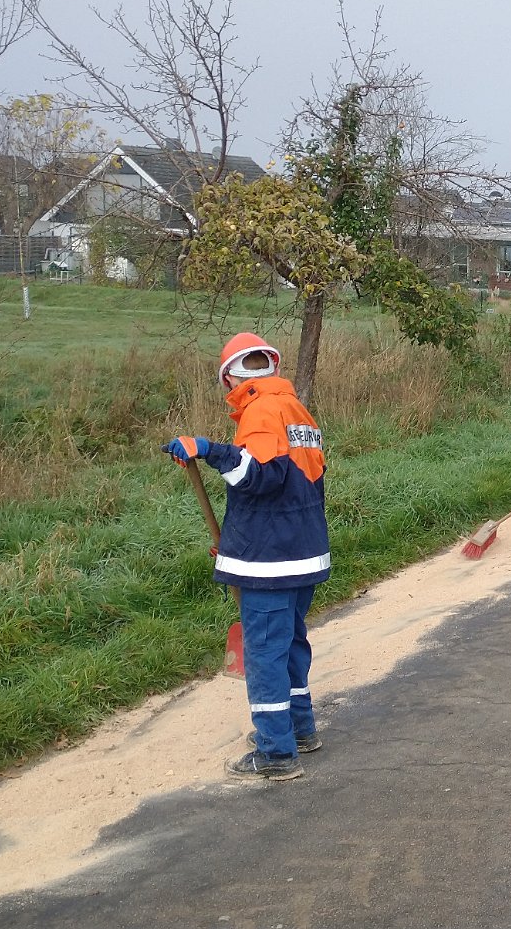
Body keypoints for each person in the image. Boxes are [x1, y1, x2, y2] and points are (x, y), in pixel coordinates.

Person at [164, 332, 328, 782]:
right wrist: (237, 544)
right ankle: (300, 729)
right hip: (303, 553)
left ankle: (275, 753)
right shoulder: (297, 411)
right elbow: (293, 487)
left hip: (271, 562)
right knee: (290, 643)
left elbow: (260, 476)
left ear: (228, 380)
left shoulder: (259, 412)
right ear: (273, 366)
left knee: (265, 654)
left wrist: (209, 450)